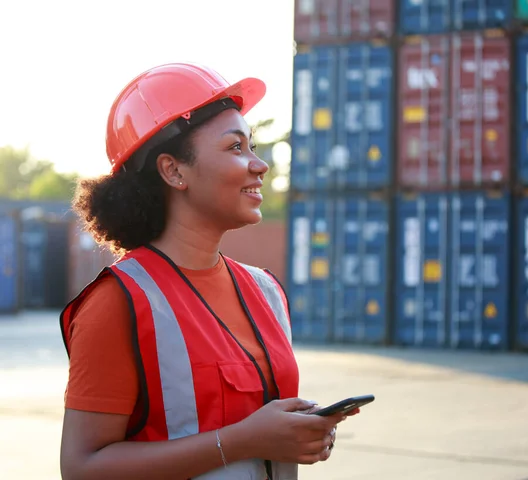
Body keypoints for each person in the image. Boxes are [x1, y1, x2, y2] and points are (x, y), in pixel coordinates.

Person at [58, 63, 357, 480]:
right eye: (236, 148)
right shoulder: (119, 302)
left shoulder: (266, 290)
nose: (260, 165)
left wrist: (299, 431)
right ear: (173, 170)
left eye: (252, 146)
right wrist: (243, 441)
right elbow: (82, 469)